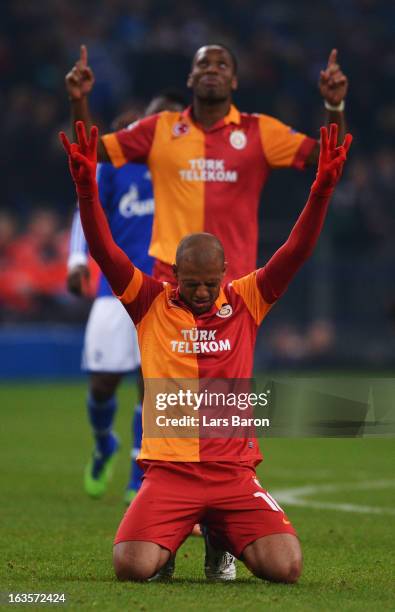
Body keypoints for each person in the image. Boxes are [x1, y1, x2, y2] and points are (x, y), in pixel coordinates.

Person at [60, 121, 352, 583]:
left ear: (225, 272)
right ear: (174, 272)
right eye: (190, 282)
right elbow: (105, 249)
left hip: (233, 474)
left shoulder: (247, 300)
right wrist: (85, 190)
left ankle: (220, 539)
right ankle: (172, 539)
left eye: (209, 283)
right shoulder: (149, 301)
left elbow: (295, 252)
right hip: (170, 474)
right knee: (131, 568)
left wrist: (320, 192)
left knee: (287, 568)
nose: (199, 292)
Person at [65, 44, 348, 283]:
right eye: (204, 64)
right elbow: (92, 150)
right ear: (191, 78)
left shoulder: (259, 131)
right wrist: (79, 101)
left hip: (234, 286)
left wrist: (334, 106)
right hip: (169, 284)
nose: (212, 69)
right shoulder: (160, 128)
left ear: (235, 80)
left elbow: (329, 156)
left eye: (222, 65)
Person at [67, 93, 186, 505]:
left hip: (164, 291)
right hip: (114, 290)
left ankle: (140, 476)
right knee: (103, 383)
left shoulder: (186, 173)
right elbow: (88, 205)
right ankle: (104, 445)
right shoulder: (117, 163)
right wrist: (77, 260)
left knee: (150, 384)